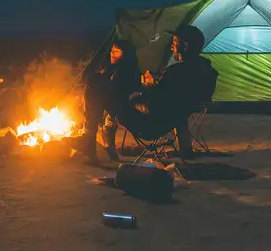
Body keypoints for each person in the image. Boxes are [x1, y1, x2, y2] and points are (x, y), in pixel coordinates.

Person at [79, 24, 217, 164]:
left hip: (148, 126)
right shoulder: (207, 72)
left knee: (94, 83)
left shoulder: (175, 72)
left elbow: (153, 106)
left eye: (174, 43)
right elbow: (180, 101)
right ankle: (185, 149)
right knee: (105, 89)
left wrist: (138, 95)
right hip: (170, 119)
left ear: (185, 46)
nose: (171, 47)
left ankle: (88, 141)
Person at [84, 38, 142, 161]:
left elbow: (118, 94)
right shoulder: (126, 70)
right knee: (95, 92)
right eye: (111, 51)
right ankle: (95, 143)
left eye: (116, 51)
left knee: (93, 88)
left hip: (123, 112)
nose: (112, 54)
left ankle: (89, 142)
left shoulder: (123, 72)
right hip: (119, 110)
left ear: (126, 54)